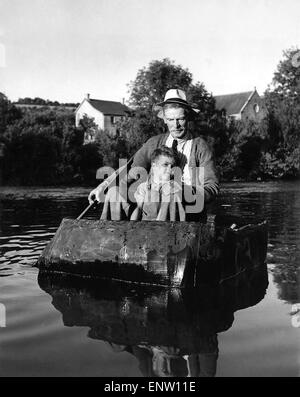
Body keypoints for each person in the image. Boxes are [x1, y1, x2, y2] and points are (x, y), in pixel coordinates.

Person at [89, 88, 219, 221]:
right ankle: (110, 236)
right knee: (114, 192)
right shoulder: (154, 143)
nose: (176, 125)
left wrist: (183, 192)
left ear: (188, 118)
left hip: (187, 211)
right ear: (164, 120)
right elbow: (130, 171)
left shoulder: (200, 146)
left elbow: (211, 188)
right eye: (171, 119)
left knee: (170, 194)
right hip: (151, 206)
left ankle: (163, 236)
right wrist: (103, 187)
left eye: (181, 119)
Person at [130, 146, 185, 221]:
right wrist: (131, 226)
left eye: (171, 166)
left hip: (167, 227)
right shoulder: (144, 187)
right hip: (147, 227)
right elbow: (139, 208)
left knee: (170, 195)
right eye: (165, 165)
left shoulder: (174, 185)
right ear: (154, 165)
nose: (169, 169)